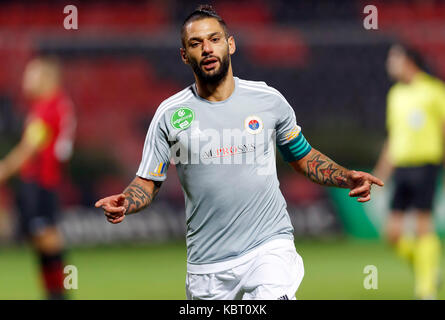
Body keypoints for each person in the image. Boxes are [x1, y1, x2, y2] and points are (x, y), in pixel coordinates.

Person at [96, 5, 383, 300]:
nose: (207, 49)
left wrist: (345, 177)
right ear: (184, 55)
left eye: (214, 39)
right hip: (208, 267)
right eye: (196, 43)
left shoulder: (268, 100)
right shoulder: (170, 115)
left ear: (230, 44)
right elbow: (148, 181)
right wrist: (126, 201)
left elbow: (303, 156)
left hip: (268, 248)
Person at [0, 56, 76, 299]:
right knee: (43, 238)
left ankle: (57, 295)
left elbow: (28, 149)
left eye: (31, 74)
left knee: (47, 239)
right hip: (46, 181)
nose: (26, 80)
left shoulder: (46, 108)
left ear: (46, 78)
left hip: (41, 182)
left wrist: (3, 170)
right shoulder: (59, 104)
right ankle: (55, 294)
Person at [373, 44, 445, 300]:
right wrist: (381, 172)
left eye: (394, 59)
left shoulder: (434, 90)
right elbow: (393, 137)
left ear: (408, 62)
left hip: (426, 164)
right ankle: (429, 267)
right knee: (392, 234)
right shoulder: (396, 95)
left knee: (424, 226)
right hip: (401, 168)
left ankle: (426, 290)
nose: (389, 65)